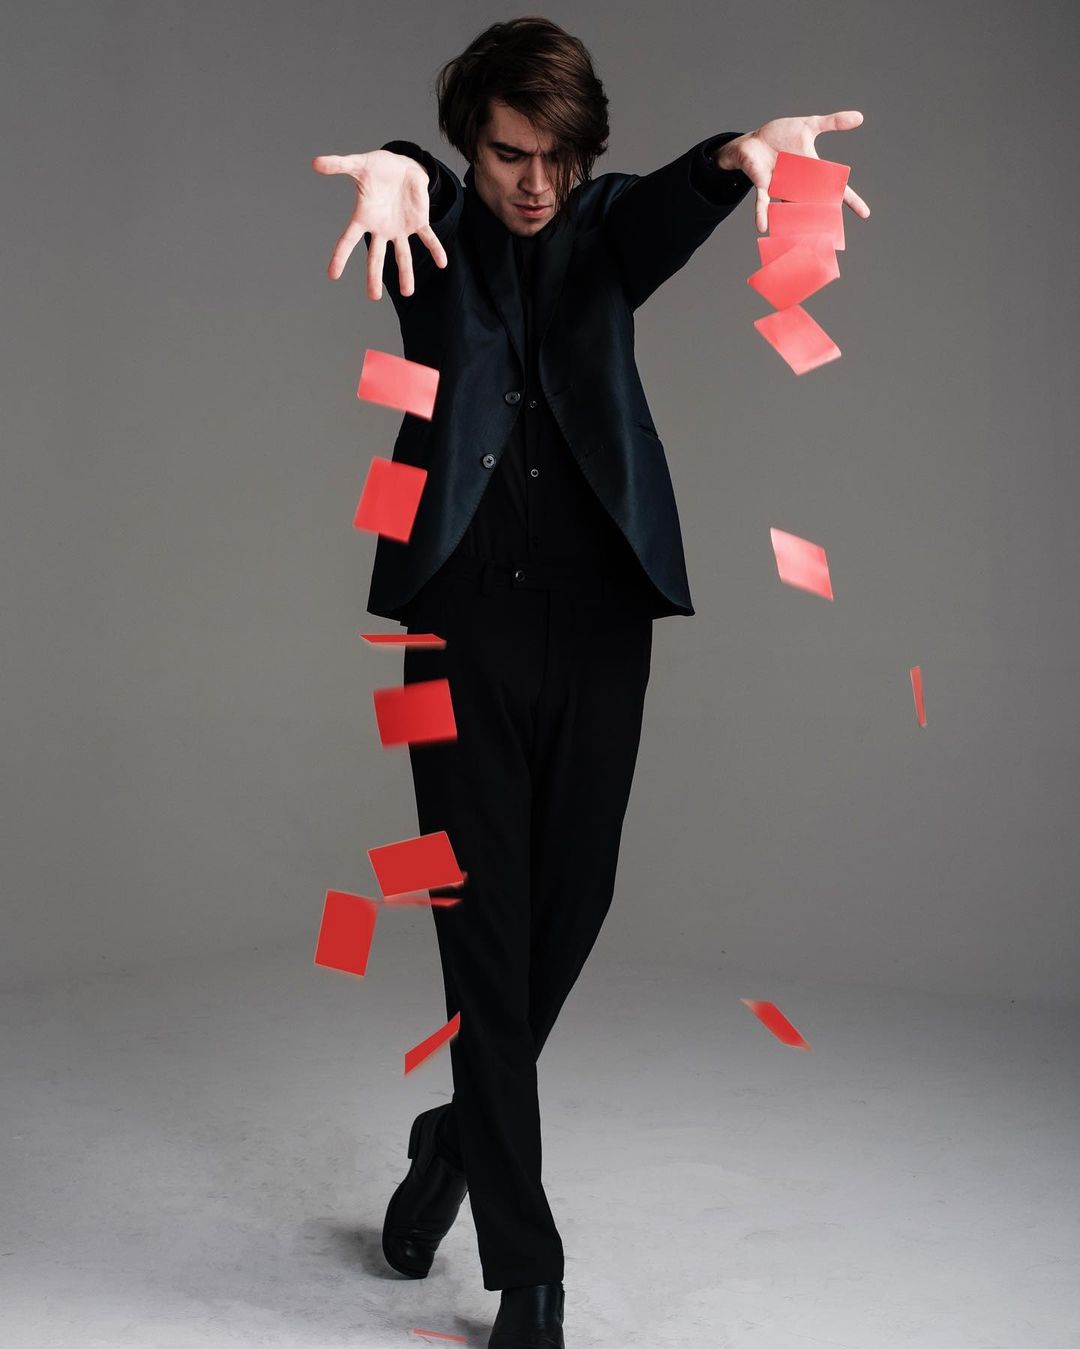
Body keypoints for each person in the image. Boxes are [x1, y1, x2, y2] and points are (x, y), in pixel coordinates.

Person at [313, 17, 869, 1348]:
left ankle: (454, 1142)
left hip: (606, 622)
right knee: (480, 931)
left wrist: (743, 157)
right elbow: (412, 178)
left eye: (557, 156)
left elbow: (674, 197)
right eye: (511, 154)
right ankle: (529, 1272)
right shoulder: (438, 230)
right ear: (472, 146)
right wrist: (391, 167)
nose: (535, 182)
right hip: (453, 625)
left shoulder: (606, 229)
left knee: (573, 904)